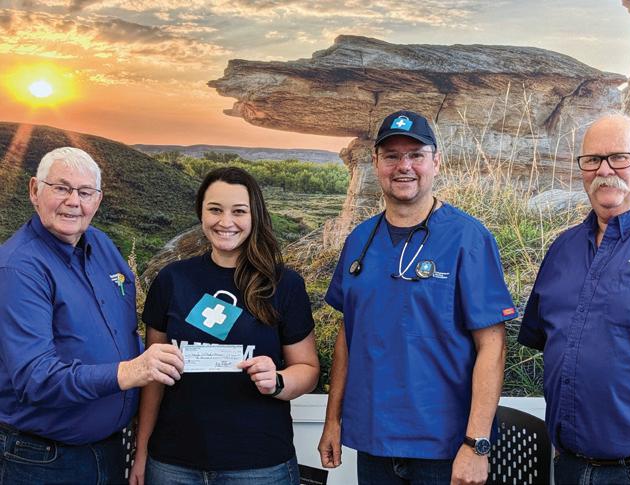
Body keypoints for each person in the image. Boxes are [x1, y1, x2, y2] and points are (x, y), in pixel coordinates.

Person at [317, 110, 517, 485]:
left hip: (444, 447)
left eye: (416, 155)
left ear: (436, 162)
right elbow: (348, 334)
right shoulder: (359, 240)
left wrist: (477, 445)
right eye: (391, 156)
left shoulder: (468, 238)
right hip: (374, 442)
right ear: (376, 163)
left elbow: (493, 346)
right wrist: (332, 419)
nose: (403, 166)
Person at [518, 113, 630, 484]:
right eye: (592, 160)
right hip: (570, 469)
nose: (604, 170)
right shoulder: (562, 249)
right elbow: (555, 348)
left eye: (619, 157)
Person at [0, 147, 185, 485]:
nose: (74, 201)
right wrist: (130, 371)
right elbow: (35, 379)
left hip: (110, 451)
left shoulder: (101, 245)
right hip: (43, 460)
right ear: (34, 190)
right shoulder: (19, 269)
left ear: (97, 200)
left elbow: (120, 334)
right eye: (61, 188)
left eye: (85, 192)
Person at [129, 166, 319, 485]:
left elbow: (308, 368)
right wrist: (142, 451)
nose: (225, 221)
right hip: (173, 463)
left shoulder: (284, 285)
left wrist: (278, 381)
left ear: (255, 215)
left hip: (258, 465)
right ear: (201, 213)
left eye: (239, 211)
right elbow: (153, 378)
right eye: (215, 209)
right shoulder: (172, 280)